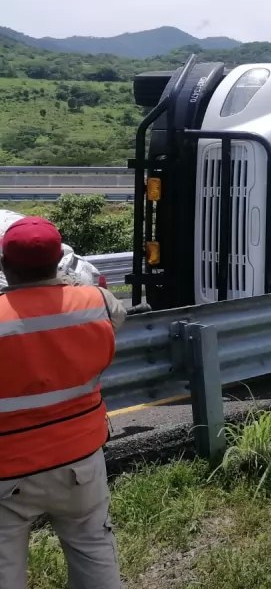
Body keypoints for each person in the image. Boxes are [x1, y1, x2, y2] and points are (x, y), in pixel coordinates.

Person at [0, 217, 126, 589]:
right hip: (81, 459)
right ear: (58, 261)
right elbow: (117, 318)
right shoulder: (95, 302)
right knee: (93, 549)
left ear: (5, 265)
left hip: (9, 467)